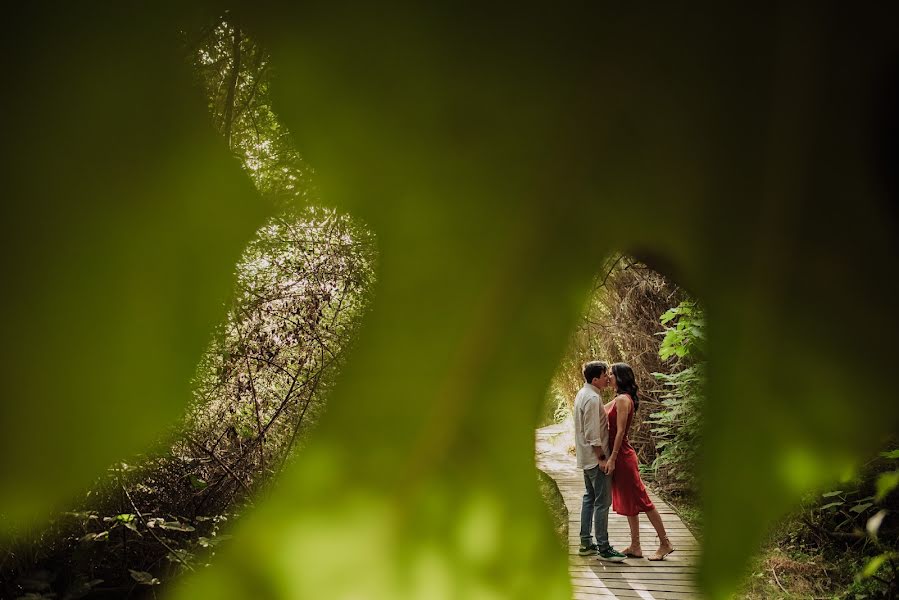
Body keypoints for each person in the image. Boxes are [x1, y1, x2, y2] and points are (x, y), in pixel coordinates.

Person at [605, 362, 675, 561]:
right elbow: (599, 408)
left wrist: (612, 457)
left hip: (622, 457)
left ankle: (665, 543)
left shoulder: (622, 400)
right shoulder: (620, 398)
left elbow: (619, 432)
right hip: (621, 457)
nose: (609, 377)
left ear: (620, 377)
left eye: (611, 374)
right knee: (630, 502)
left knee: (643, 500)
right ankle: (635, 545)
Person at [573, 361, 627, 562]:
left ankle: (586, 543)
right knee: (602, 503)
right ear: (595, 379)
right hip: (596, 459)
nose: (608, 378)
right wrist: (603, 459)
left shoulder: (583, 394)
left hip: (586, 458)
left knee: (590, 498)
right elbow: (592, 434)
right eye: (605, 375)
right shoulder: (592, 398)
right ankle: (604, 548)